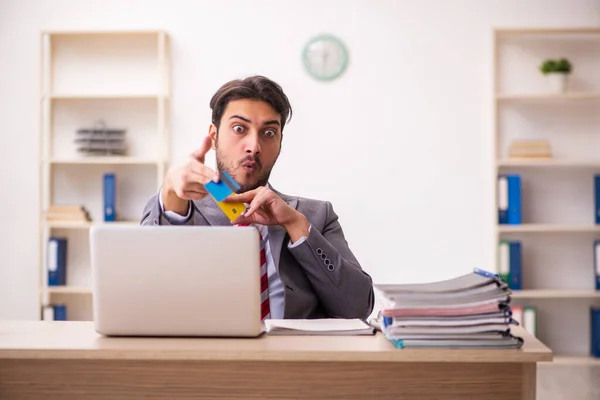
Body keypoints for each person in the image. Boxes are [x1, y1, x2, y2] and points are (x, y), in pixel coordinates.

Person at [140, 75, 374, 320]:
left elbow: (357, 309)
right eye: (239, 129)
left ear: (281, 141)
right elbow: (146, 291)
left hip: (292, 356)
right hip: (209, 356)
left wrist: (297, 226)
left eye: (269, 132)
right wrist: (170, 192)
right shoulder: (178, 207)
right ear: (214, 135)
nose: (254, 146)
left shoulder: (317, 215)